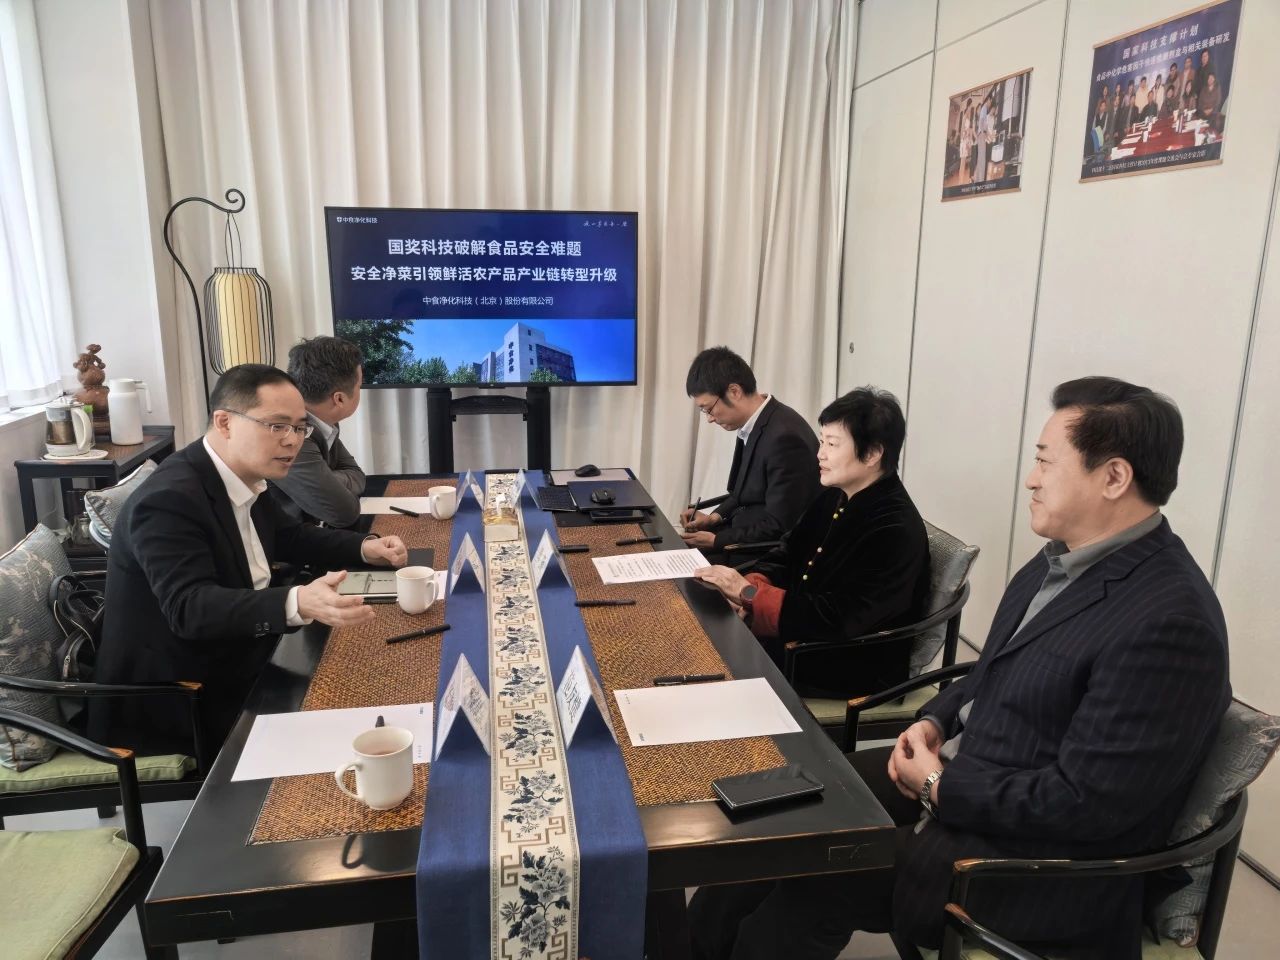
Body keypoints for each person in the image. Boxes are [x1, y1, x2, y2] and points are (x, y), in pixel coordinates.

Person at [689, 377, 1230, 960]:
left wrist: (940, 786)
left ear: (1114, 477)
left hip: (1028, 863)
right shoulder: (1058, 561)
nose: (1031, 478)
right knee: (778, 815)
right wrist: (935, 721)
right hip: (971, 775)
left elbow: (1086, 804)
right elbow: (991, 671)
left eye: (1045, 461)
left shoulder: (1171, 623)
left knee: (816, 873)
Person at [92, 364, 408, 754]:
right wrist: (297, 600)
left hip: (247, 652)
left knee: (381, 670)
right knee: (361, 710)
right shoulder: (168, 500)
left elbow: (290, 536)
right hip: (182, 695)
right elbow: (190, 608)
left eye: (299, 428)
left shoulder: (240, 474)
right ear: (224, 422)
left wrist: (364, 548)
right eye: (277, 426)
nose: (292, 441)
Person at [693, 387, 930, 697]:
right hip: (802, 637)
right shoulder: (836, 494)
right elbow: (787, 551)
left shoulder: (894, 528)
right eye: (821, 441)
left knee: (708, 662)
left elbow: (841, 619)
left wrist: (751, 595)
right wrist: (751, 586)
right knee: (699, 625)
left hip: (843, 662)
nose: (820, 454)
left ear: (872, 454)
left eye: (832, 444)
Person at [680, 347, 820, 555]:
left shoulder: (785, 438)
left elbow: (779, 525)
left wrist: (717, 540)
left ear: (734, 392)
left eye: (709, 409)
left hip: (762, 551)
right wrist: (714, 518)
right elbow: (742, 492)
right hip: (742, 531)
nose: (709, 418)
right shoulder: (757, 421)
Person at [269, 335, 367, 527]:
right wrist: (327, 482)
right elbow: (344, 513)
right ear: (339, 399)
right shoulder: (290, 436)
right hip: (282, 540)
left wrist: (327, 480)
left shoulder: (325, 423)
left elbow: (357, 475)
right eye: (359, 386)